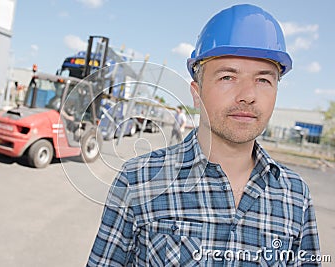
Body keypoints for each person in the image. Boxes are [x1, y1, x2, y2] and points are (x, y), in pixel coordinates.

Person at [87, 4, 321, 266]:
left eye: (263, 80)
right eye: (227, 77)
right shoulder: (138, 180)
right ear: (196, 93)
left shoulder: (296, 196)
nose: (247, 95)